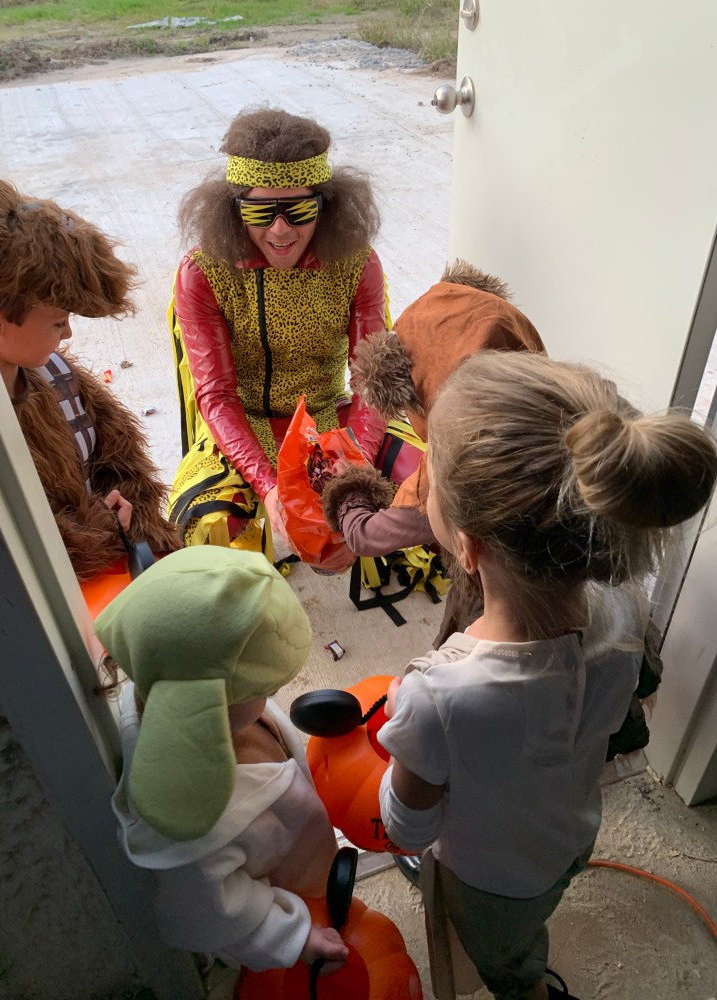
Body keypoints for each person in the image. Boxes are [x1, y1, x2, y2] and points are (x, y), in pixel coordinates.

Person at [375, 351, 717, 1000]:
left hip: (492, 879)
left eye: (430, 477)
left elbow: (406, 827)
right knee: (536, 907)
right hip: (571, 835)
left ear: (468, 545)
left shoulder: (435, 697)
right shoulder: (626, 613)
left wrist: (405, 735)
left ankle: (524, 987)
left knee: (504, 955)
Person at [96, 546, 346, 979]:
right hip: (284, 893)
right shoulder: (193, 831)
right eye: (263, 690)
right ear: (209, 703)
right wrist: (294, 936)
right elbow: (211, 908)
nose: (270, 698)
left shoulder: (168, 676)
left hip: (297, 853)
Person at [168, 106, 388, 555]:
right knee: (207, 524)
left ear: (327, 207)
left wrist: (356, 466)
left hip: (331, 415)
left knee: (425, 485)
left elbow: (372, 382)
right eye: (259, 211)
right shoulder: (201, 273)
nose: (281, 229)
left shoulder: (359, 264)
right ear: (233, 211)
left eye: (300, 209)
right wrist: (268, 485)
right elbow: (217, 396)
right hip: (242, 423)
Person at [0, 159, 181, 582]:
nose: (67, 333)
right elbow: (13, 546)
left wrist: (132, 511)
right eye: (58, 321)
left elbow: (119, 458)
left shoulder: (57, 373)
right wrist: (103, 527)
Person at [322, 260, 544, 632]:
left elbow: (364, 534)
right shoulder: (565, 425)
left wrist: (348, 488)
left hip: (494, 621)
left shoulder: (452, 475)